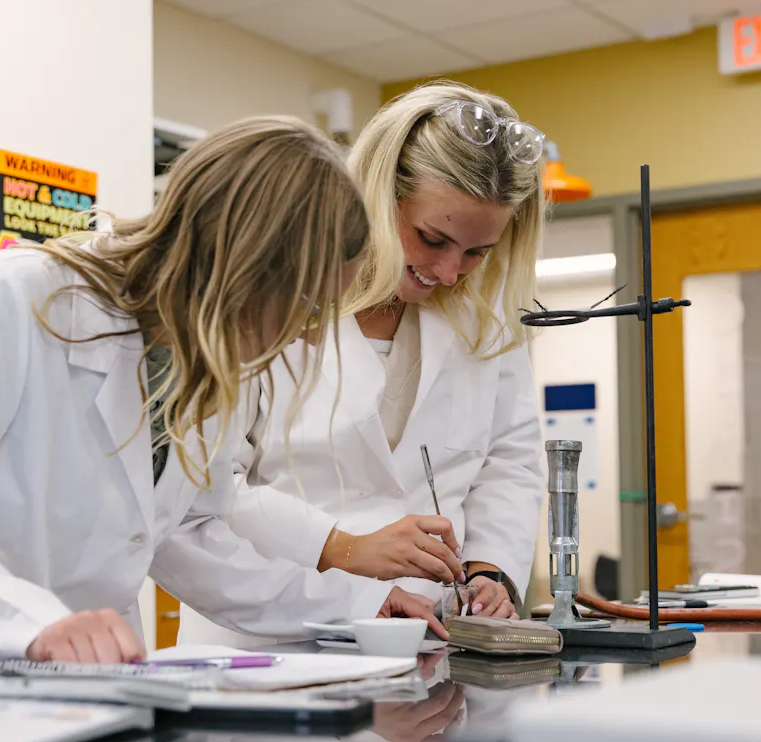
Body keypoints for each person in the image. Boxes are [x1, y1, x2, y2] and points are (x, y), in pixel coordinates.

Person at [0, 116, 445, 692]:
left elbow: (187, 536)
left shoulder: (202, 359)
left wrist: (355, 604)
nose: (310, 335)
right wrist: (30, 624)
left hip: (91, 702)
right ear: (243, 263)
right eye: (308, 306)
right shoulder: (4, 300)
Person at [179, 82, 545, 647]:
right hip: (275, 641)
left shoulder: (486, 321)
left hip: (426, 641)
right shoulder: (273, 299)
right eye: (431, 238)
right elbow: (206, 491)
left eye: (477, 252)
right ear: (377, 196)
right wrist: (343, 546)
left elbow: (509, 462)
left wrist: (491, 568)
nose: (450, 272)